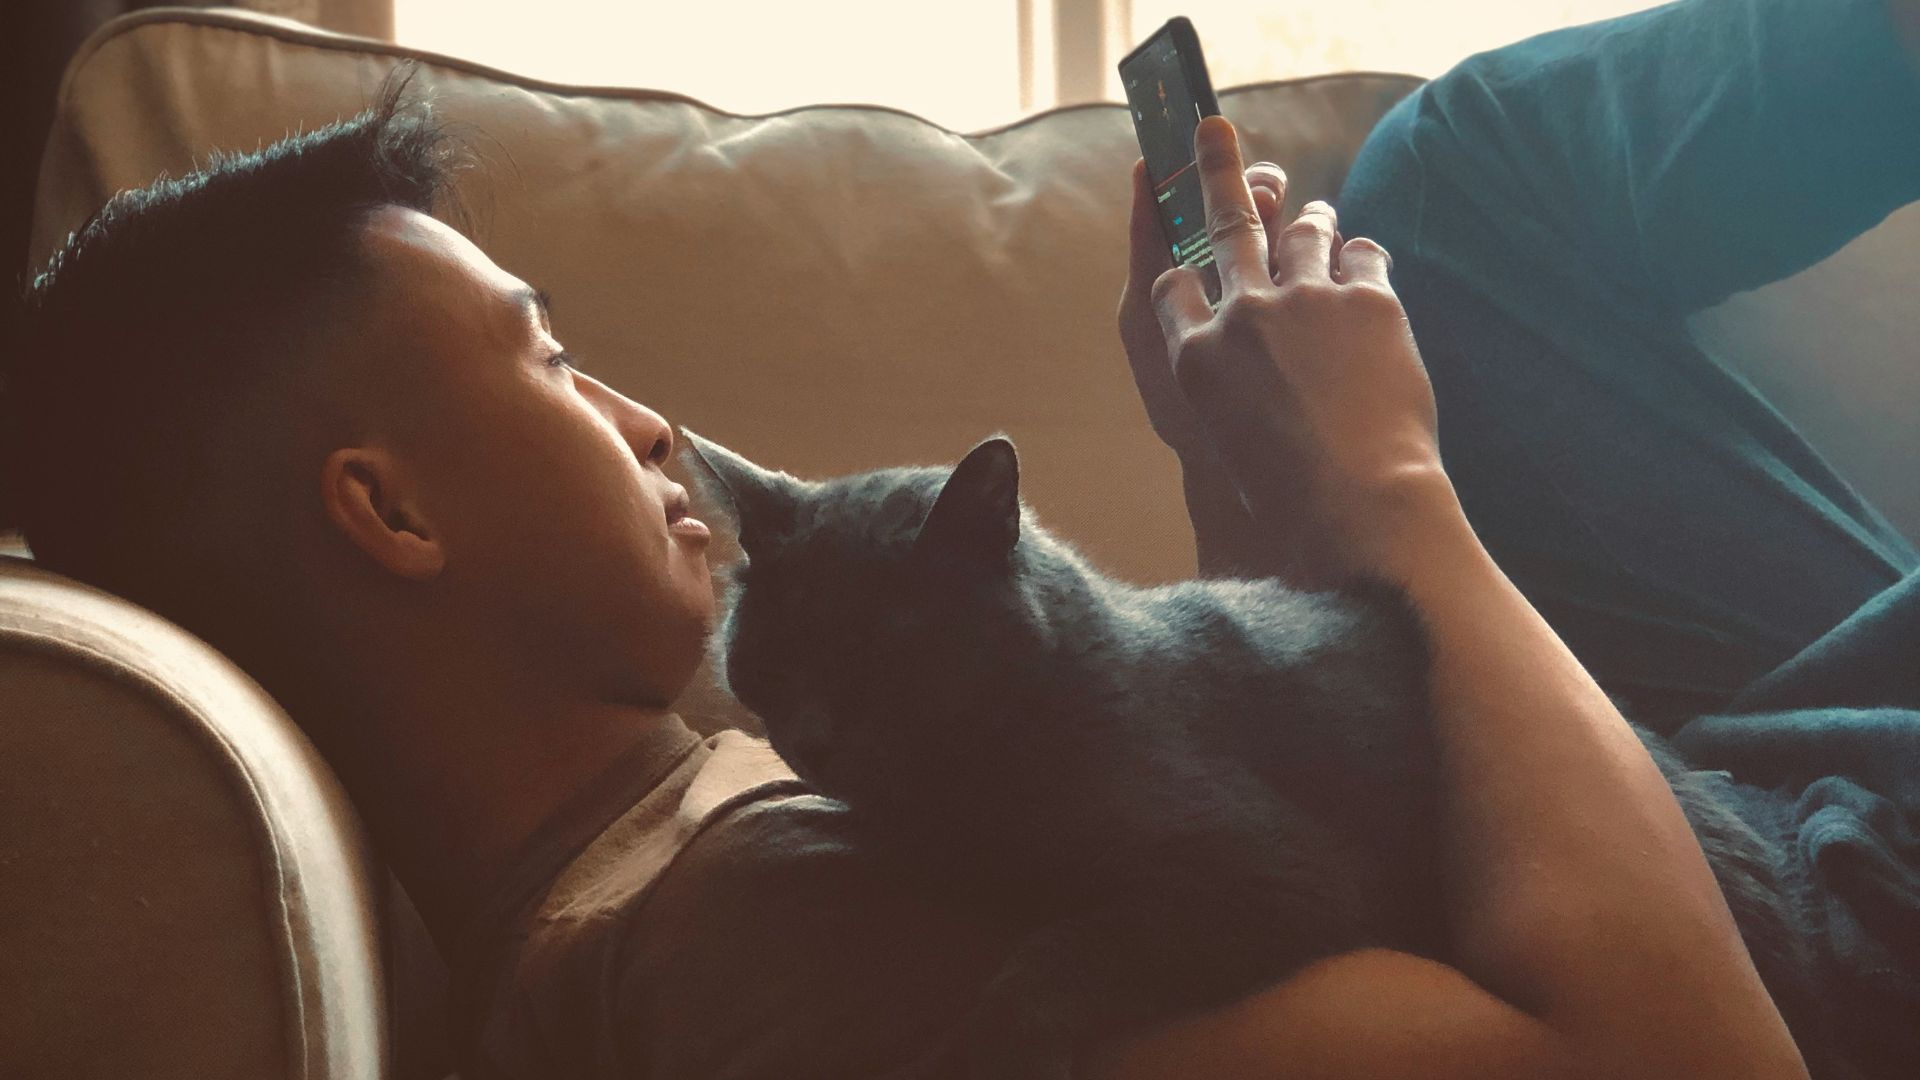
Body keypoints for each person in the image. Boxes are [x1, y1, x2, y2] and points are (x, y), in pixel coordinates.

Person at [1, 0, 1913, 1076]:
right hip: (1824, 927)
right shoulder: (771, 945)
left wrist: (1247, 492)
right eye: (554, 360)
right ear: (388, 509)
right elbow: (1688, 1059)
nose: (643, 418)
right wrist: (1387, 493)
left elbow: (1259, 799)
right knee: (1468, 188)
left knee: (1454, 184)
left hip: (1699, 797)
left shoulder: (690, 860)